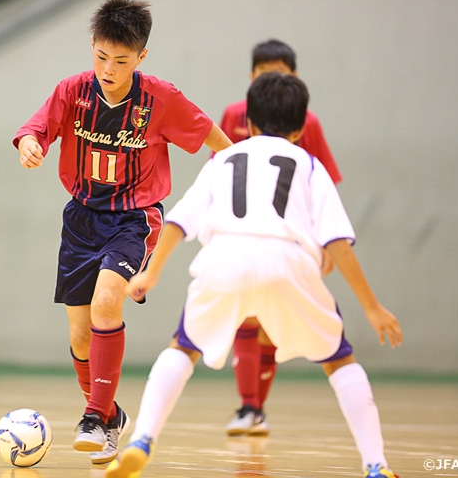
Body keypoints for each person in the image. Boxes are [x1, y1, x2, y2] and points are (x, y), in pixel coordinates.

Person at [105, 72, 402, 478]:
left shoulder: (224, 159)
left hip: (224, 257)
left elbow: (178, 220)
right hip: (288, 261)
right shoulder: (308, 164)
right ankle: (376, 464)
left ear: (248, 123)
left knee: (182, 349)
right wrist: (371, 306)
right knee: (340, 361)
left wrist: (150, 273)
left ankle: (142, 439)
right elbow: (336, 242)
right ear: (299, 129)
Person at [12, 0, 232, 466]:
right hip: (81, 219)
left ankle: (93, 416)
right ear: (92, 46)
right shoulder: (72, 91)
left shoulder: (160, 99)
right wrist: (30, 144)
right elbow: (36, 129)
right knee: (80, 337)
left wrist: (241, 172)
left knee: (107, 301)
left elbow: (213, 137)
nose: (109, 69)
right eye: (102, 57)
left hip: (134, 218)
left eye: (121, 61)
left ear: (141, 57)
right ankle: (110, 418)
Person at [219, 39, 343, 436]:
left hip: (290, 238)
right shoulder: (235, 115)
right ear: (251, 77)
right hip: (242, 233)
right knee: (245, 314)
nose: (272, 80)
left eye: (280, 73)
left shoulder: (308, 122)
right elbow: (219, 174)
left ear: (295, 78)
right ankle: (249, 406)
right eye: (264, 73)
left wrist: (325, 241)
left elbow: (325, 184)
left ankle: (255, 407)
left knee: (272, 322)